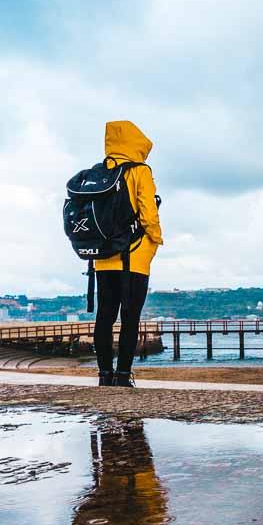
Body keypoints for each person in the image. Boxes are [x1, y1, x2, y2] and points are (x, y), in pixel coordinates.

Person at [93, 121, 163, 387]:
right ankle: (122, 375)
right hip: (134, 257)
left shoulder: (102, 173)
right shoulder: (139, 171)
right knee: (130, 316)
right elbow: (148, 212)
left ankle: (103, 374)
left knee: (105, 315)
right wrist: (155, 241)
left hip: (102, 257)